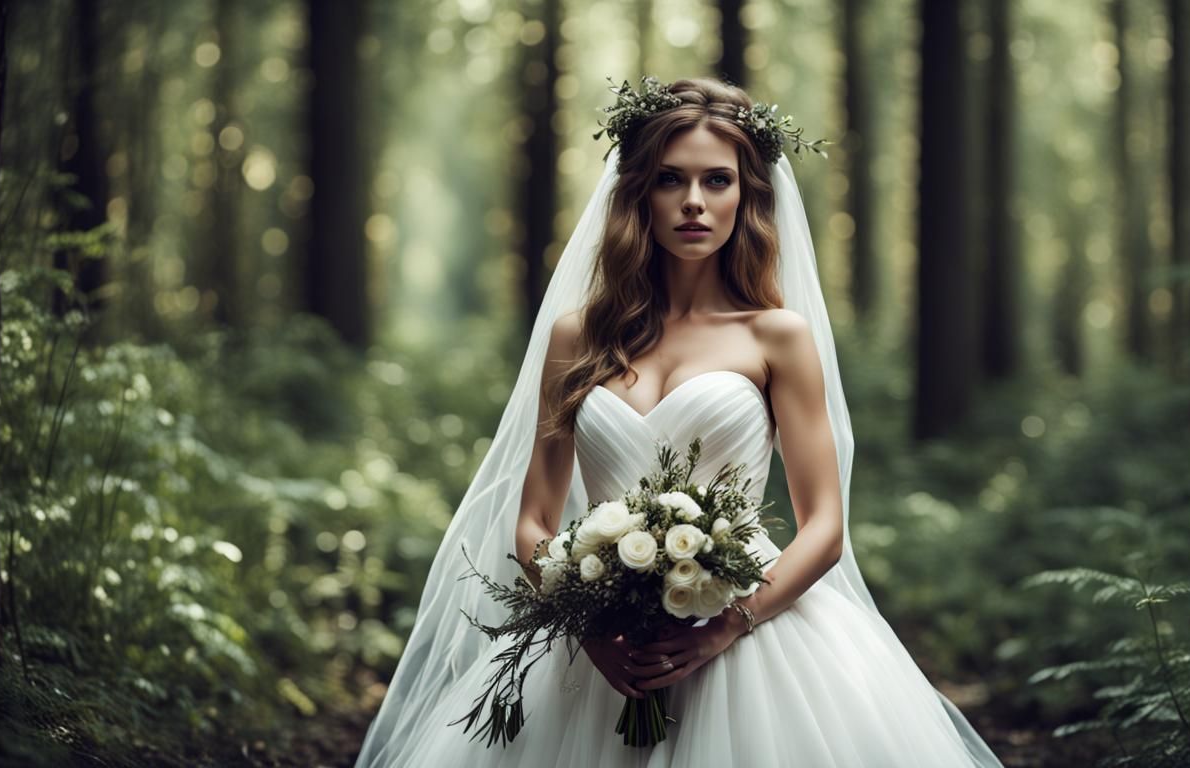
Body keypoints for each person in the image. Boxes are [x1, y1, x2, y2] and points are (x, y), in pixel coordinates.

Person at [355, 76, 1004, 767]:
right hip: (601, 639)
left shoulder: (777, 337)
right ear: (639, 193)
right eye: (670, 179)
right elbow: (534, 521)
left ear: (747, 197)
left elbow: (824, 528)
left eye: (717, 180)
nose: (694, 201)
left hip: (750, 634)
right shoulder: (578, 336)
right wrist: (592, 633)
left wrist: (724, 627)